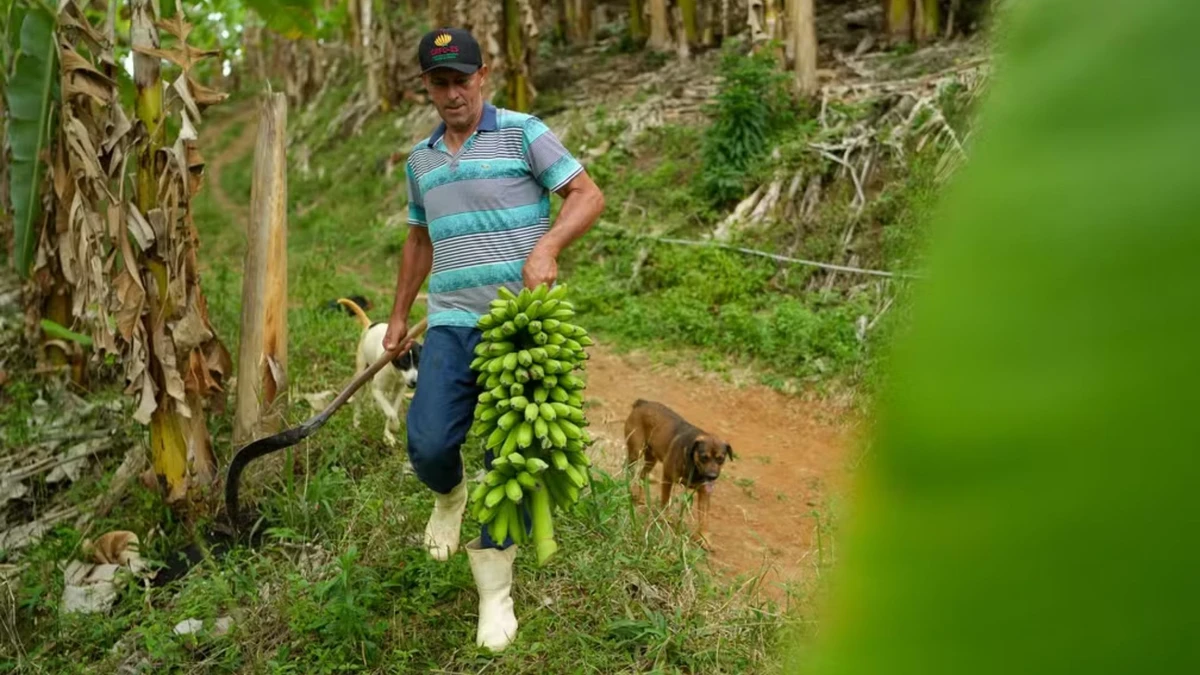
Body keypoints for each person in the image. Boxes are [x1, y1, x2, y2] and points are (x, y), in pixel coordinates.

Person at [380, 27, 605, 652]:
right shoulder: (421, 160)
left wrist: (549, 246)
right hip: (451, 322)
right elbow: (419, 239)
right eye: (439, 82)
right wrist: (399, 315)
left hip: (522, 326)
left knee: (510, 461)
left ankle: (496, 595)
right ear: (426, 86)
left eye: (462, 79)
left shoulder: (524, 131)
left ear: (485, 75)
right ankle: (449, 497)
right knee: (427, 443)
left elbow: (587, 194)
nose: (452, 93)